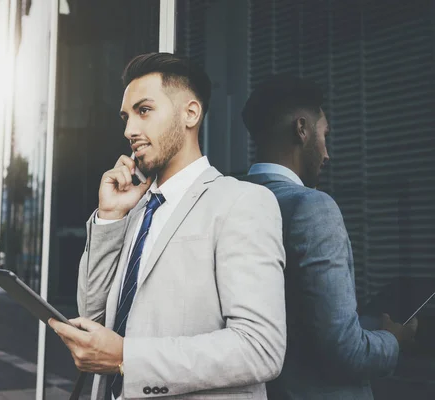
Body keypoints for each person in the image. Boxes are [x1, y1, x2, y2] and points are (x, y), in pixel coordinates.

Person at [49, 53, 287, 400]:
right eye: (126, 116)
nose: (129, 130)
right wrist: (109, 217)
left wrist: (127, 358)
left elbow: (260, 348)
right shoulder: (133, 208)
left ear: (190, 113)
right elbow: (94, 317)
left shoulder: (242, 202)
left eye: (144, 111)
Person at [240, 74, 418, 399]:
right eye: (324, 135)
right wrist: (394, 339)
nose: (327, 154)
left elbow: (290, 322)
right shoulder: (311, 207)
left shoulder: (229, 201)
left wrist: (364, 321)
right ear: (301, 129)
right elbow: (344, 351)